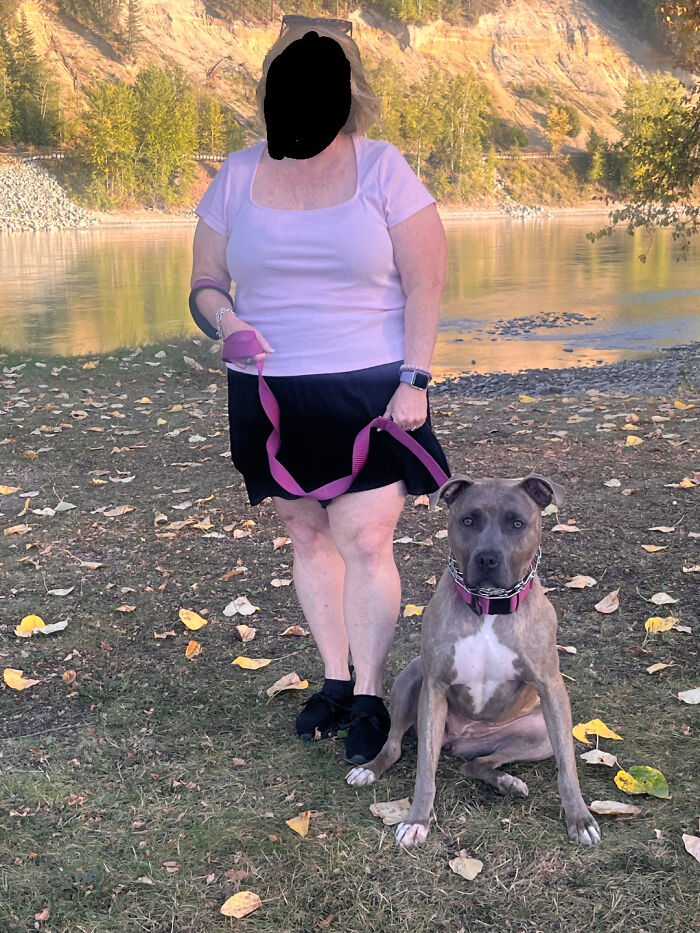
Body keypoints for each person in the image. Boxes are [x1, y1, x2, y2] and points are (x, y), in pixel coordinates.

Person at [189, 15, 450, 765]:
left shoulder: (383, 169)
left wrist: (416, 378)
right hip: (269, 390)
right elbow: (204, 282)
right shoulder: (237, 174)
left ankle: (370, 693)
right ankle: (334, 678)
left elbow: (426, 281)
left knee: (365, 537)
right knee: (306, 533)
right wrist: (227, 321)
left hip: (370, 388)